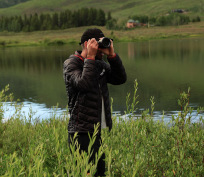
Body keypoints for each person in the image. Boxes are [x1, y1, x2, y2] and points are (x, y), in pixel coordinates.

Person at [63, 28, 126, 176]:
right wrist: (90, 58)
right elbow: (84, 84)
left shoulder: (99, 63)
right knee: (87, 172)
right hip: (80, 131)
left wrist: (112, 56)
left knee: (100, 171)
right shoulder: (71, 63)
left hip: (94, 130)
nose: (100, 47)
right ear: (86, 44)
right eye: (98, 43)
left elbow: (120, 79)